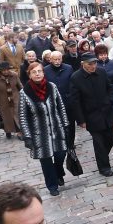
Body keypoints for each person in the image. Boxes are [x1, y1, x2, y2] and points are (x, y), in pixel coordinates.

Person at [19, 62, 70, 196]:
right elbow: (23, 116)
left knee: (61, 154)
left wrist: (66, 125)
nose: (37, 74)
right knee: (46, 161)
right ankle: (52, 185)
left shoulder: (52, 87)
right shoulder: (24, 93)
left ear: (43, 73)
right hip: (39, 134)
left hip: (57, 129)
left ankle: (58, 172)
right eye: (34, 72)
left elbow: (61, 107)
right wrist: (27, 137)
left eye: (39, 71)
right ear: (29, 75)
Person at [70, 52, 113, 176]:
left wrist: (111, 101)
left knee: (111, 137)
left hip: (107, 112)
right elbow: (75, 101)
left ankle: (102, 157)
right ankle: (104, 167)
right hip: (91, 115)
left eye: (94, 63)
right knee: (99, 142)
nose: (93, 66)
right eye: (90, 64)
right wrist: (80, 120)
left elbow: (110, 88)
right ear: (83, 64)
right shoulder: (76, 77)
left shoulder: (101, 72)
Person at [0, 61, 23, 140]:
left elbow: (20, 87)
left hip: (15, 99)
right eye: (3, 70)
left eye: (7, 70)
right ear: (0, 70)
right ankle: (8, 131)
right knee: (6, 117)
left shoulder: (14, 75)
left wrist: (24, 97)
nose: (5, 71)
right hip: (3, 100)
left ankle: (19, 132)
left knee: (16, 115)